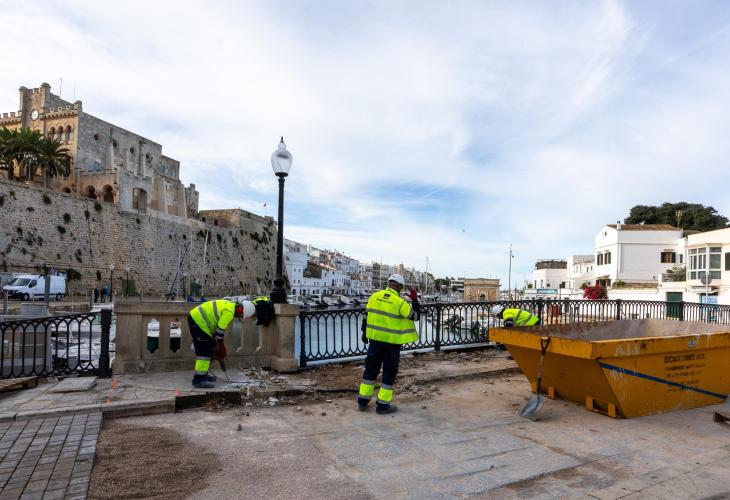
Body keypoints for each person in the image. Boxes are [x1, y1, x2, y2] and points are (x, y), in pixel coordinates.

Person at [357, 274, 420, 415]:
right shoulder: (399, 302)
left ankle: (362, 401)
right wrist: (414, 299)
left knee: (370, 369)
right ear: (399, 287)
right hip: (391, 344)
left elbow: (366, 316)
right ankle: (383, 405)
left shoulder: (374, 297)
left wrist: (364, 333)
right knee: (389, 372)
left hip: (375, 341)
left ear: (389, 283)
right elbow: (415, 316)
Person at [187, 298, 256, 388]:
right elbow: (219, 332)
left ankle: (204, 375)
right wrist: (221, 346)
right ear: (240, 310)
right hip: (198, 321)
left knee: (209, 348)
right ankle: (199, 380)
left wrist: (216, 344)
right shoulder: (229, 312)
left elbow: (215, 326)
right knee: (204, 352)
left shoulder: (230, 305)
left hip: (198, 320)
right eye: (241, 315)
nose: (239, 317)